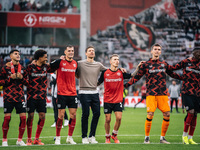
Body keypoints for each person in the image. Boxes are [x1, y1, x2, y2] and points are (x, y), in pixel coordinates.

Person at [124, 43, 183, 144]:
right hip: (151, 93)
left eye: (158, 49)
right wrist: (125, 85)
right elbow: (137, 77)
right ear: (151, 51)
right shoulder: (145, 64)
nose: (156, 51)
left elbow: (172, 74)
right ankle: (147, 138)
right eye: (155, 49)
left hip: (163, 94)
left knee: (167, 114)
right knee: (150, 114)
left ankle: (162, 138)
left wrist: (185, 78)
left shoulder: (164, 64)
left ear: (160, 52)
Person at [97, 54, 138, 143]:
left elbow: (132, 75)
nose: (117, 61)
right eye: (115, 59)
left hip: (118, 99)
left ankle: (114, 135)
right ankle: (107, 136)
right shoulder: (105, 72)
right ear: (110, 61)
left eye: (118, 59)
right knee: (108, 119)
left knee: (119, 118)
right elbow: (98, 83)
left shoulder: (121, 72)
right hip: (107, 100)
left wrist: (138, 68)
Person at [170, 47, 200, 145]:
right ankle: (184, 136)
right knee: (190, 112)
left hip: (198, 93)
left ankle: (190, 138)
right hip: (187, 91)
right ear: (194, 53)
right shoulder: (186, 62)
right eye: (198, 52)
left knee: (195, 114)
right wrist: (179, 77)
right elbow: (172, 68)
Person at [50, 45, 78, 145]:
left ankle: (69, 138)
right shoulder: (59, 62)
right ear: (65, 52)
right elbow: (49, 67)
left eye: (72, 50)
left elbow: (78, 75)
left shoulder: (75, 63)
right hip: (61, 93)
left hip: (73, 93)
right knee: (61, 116)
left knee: (73, 115)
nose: (71, 52)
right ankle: (58, 137)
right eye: (69, 50)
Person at [25, 49, 54, 145]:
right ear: (39, 58)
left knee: (42, 116)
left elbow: (55, 66)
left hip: (42, 96)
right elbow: (24, 79)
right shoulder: (30, 67)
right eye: (45, 57)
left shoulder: (46, 67)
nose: (46, 58)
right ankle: (29, 139)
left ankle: (36, 139)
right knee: (30, 116)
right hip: (31, 96)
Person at [0, 49, 27, 146]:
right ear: (11, 56)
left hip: (20, 97)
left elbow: (28, 83)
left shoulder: (23, 68)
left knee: (24, 118)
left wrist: (22, 78)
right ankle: (4, 140)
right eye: (16, 54)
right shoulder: (5, 68)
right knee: (7, 118)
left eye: (19, 54)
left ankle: (19, 140)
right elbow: (0, 82)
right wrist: (9, 78)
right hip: (8, 97)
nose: (18, 55)